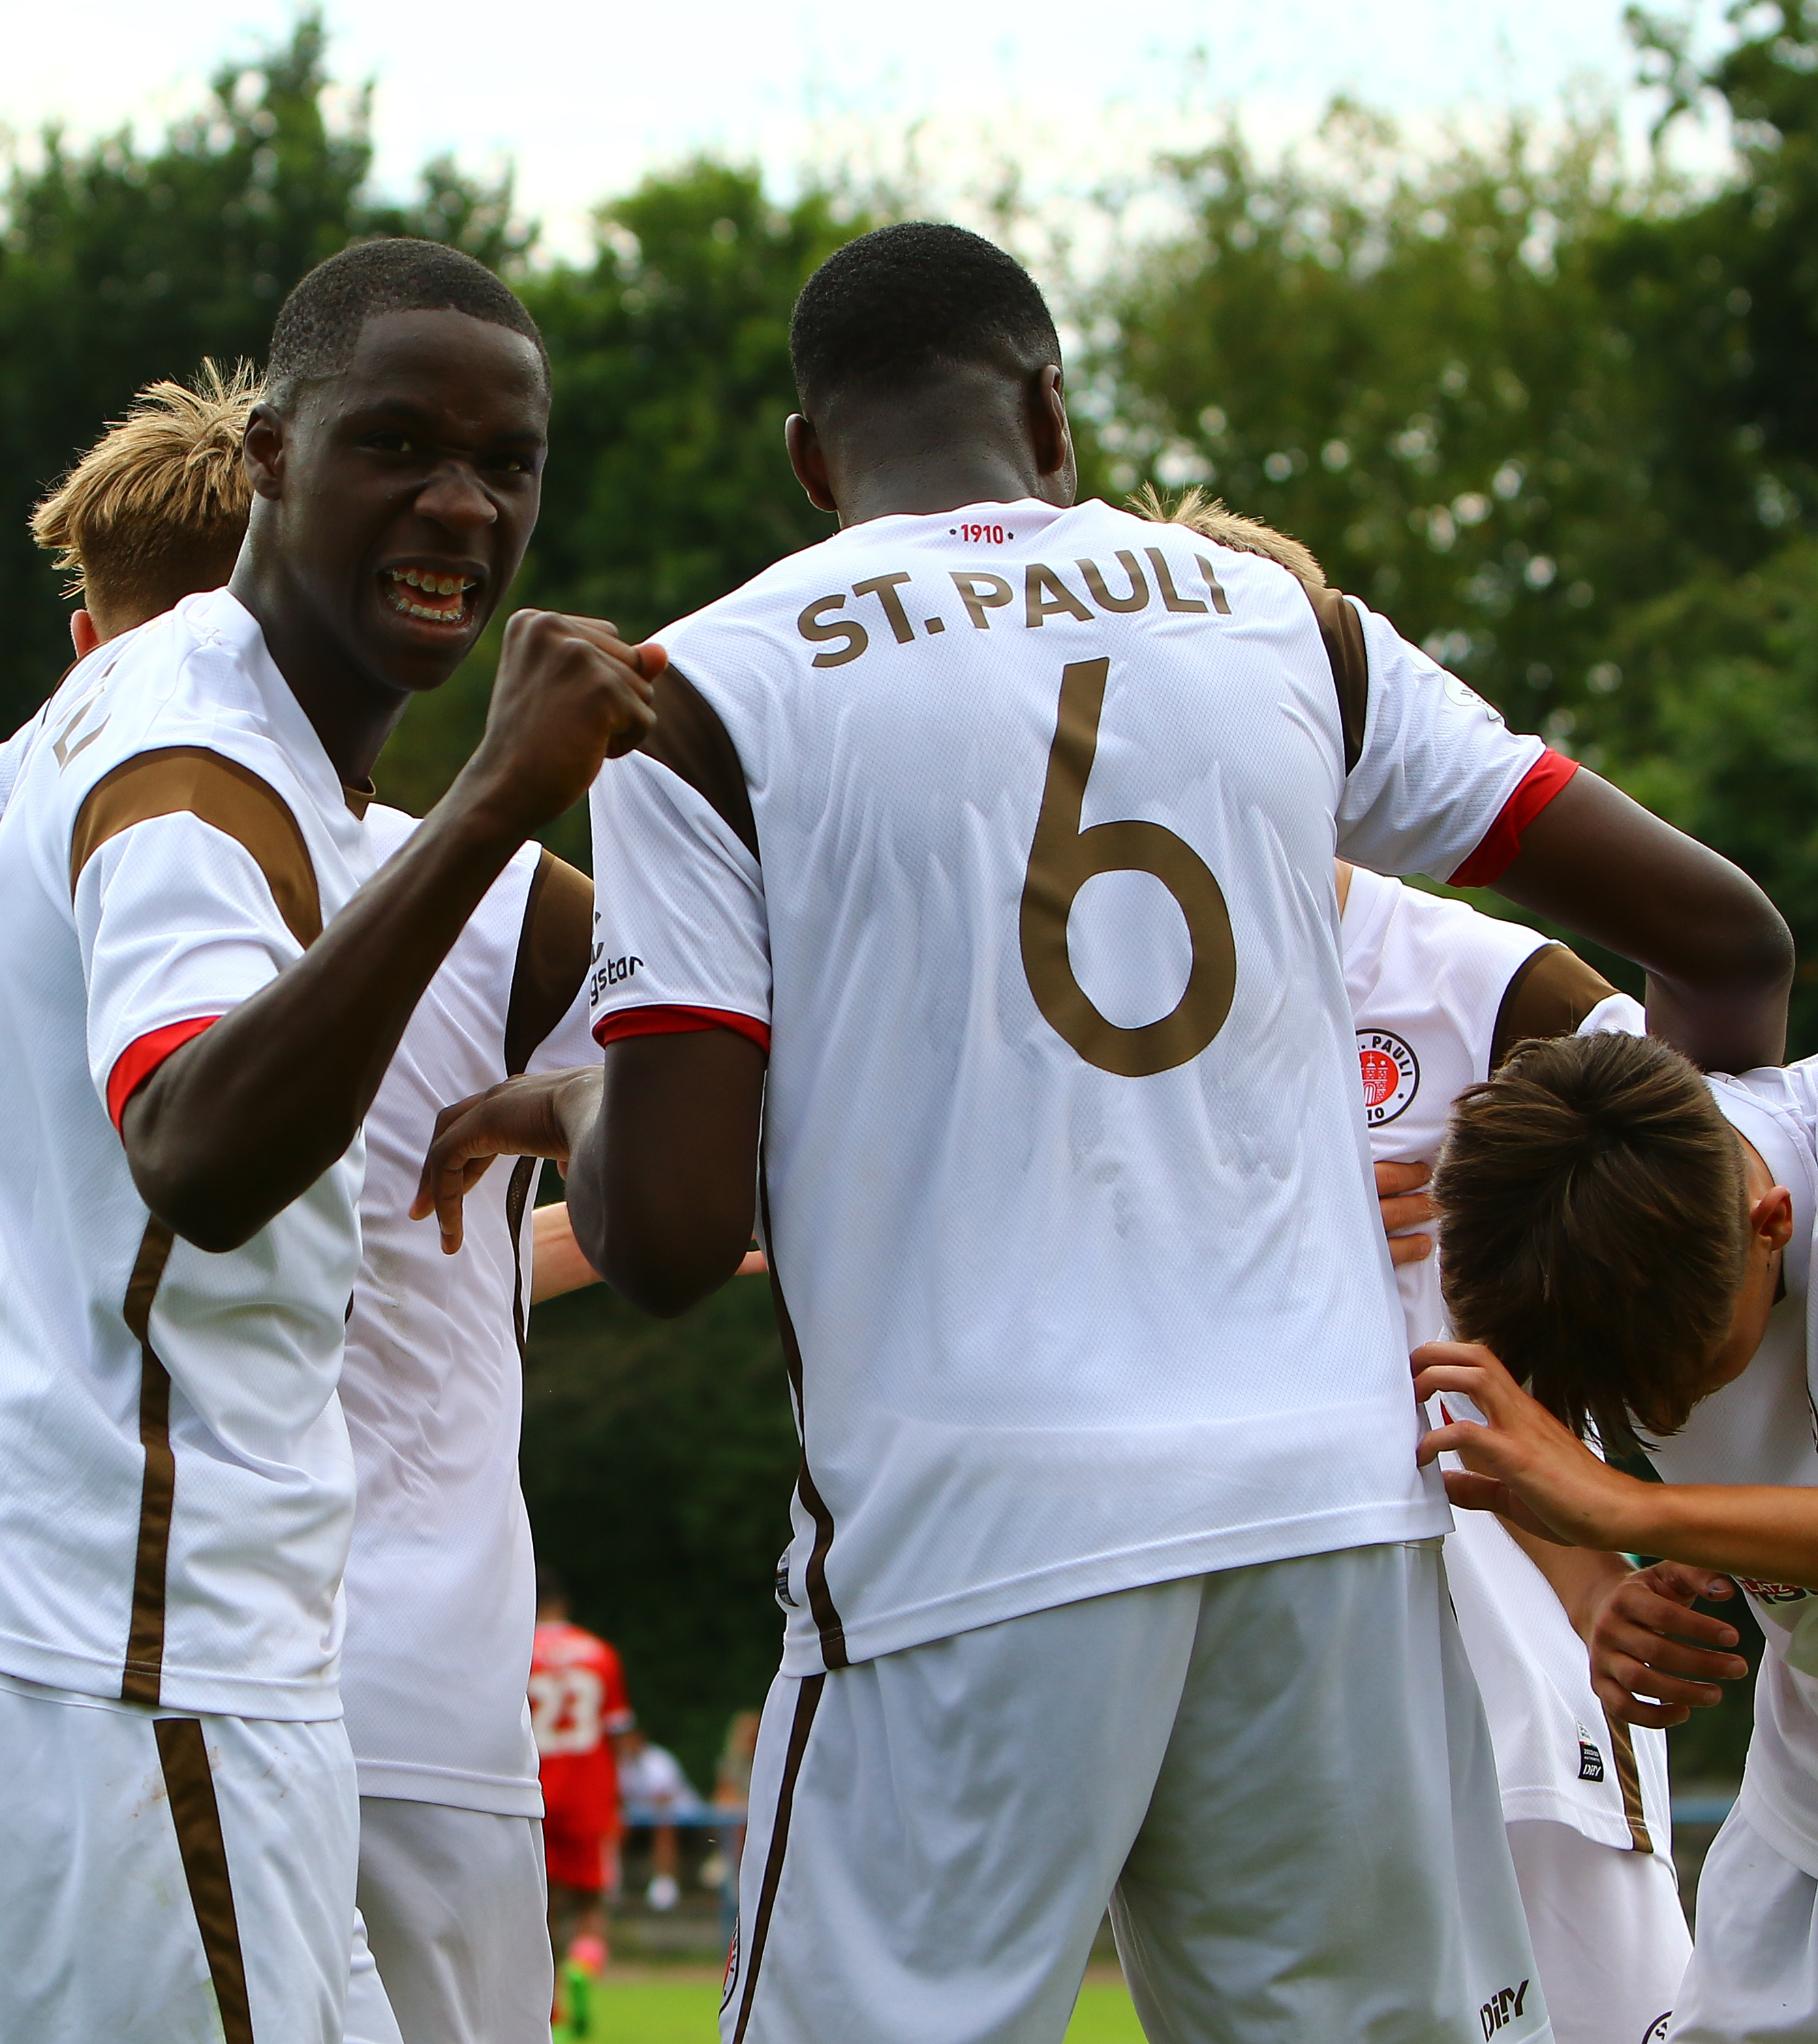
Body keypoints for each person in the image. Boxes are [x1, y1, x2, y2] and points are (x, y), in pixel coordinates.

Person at [418, 220, 1792, 2044]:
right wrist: (1651, 1360)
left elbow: (664, 1239)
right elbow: (1726, 946)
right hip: (1327, 1522)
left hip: (970, 1532)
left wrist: (597, 1103)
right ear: (1051, 416)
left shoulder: (699, 697)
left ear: (810, 464)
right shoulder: (1291, 632)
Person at [0, 238, 660, 2044]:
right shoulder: (204, 774)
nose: (457, 505)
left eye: (505, 465)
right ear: (269, 457)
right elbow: (194, 1153)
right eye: (397, 447)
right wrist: (504, 786)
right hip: (138, 1675)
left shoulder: (107, 698)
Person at [1160, 491, 1694, 2044]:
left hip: (1508, 1600)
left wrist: (1498, 1185)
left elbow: (1704, 1169)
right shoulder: (1093, 975)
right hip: (1234, 1605)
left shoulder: (1473, 974)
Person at [1415, 1031, 1818, 2044]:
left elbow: (1738, 937)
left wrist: (1634, 1512)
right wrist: (1598, 1586)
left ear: (1772, 1225)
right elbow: (1531, 1451)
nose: (1661, 1409)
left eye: (1690, 1365)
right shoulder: (1588, 1206)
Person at [529, 1573, 629, 2031]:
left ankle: (548, 2004)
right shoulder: (600, 1653)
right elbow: (618, 1733)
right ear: (565, 1602)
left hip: (534, 1792)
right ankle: (583, 1967)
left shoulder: (518, 1653)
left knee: (540, 1907)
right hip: (590, 1794)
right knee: (590, 1902)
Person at [614, 1732, 694, 1913]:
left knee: (663, 1827)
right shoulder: (620, 1764)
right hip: (639, 1822)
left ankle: (664, 1883)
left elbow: (663, 1799)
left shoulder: (658, 1760)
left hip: (683, 1821)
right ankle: (612, 1882)